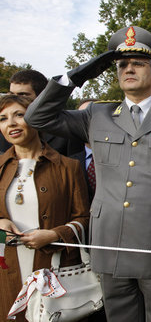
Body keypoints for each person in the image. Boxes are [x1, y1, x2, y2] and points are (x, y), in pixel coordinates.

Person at [24, 25, 151, 322]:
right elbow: (36, 116)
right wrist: (75, 76)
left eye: (138, 64)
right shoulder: (97, 115)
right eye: (122, 65)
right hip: (109, 243)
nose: (129, 69)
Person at [0, 95, 89, 321]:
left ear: (36, 119)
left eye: (19, 115)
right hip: (6, 269)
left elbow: (84, 218)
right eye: (2, 118)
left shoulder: (68, 167)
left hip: (54, 270)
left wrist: (54, 234)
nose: (11, 123)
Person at [1, 69, 82, 156]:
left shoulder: (68, 127)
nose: (14, 100)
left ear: (41, 96)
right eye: (11, 94)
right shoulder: (4, 129)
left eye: (22, 95)